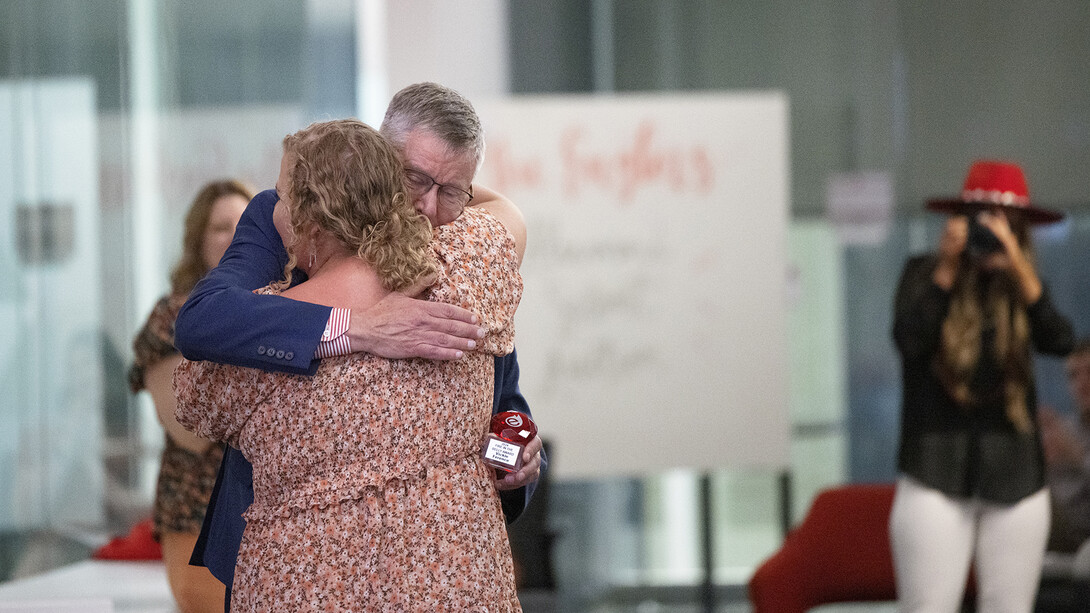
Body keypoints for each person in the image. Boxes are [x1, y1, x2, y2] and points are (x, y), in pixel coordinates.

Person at [172, 82, 545, 604]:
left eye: (454, 191)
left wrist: (520, 454)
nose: (429, 209)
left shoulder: (466, 257)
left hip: (439, 559)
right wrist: (353, 326)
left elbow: (502, 396)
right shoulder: (282, 214)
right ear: (379, 158)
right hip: (291, 550)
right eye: (414, 179)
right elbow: (204, 324)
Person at [890, 159, 1074, 612]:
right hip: (935, 466)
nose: (989, 234)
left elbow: (1060, 340)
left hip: (1015, 472)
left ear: (1021, 231)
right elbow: (910, 342)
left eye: (1004, 223)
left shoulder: (1024, 287)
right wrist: (946, 274)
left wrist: (1019, 272)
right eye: (981, 221)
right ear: (959, 223)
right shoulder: (924, 273)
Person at [128, 179, 252, 613]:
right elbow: (189, 430)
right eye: (221, 227)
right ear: (198, 240)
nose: (235, 236)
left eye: (244, 224)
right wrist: (261, 353)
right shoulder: (171, 318)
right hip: (196, 514)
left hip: (268, 512)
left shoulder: (280, 306)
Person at [1040, 339, 1090, 554]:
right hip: (1057, 534)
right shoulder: (1065, 428)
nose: (1082, 383)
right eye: (1073, 375)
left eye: (1089, 372)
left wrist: (1078, 456)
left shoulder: (1069, 439)